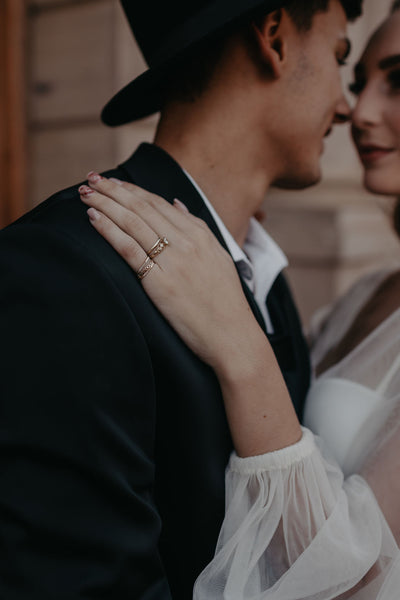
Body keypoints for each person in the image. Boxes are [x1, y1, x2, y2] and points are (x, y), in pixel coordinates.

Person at [0, 1, 362, 598]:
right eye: (339, 56)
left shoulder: (267, 280)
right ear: (274, 37)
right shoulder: (64, 268)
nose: (348, 106)